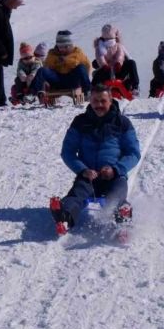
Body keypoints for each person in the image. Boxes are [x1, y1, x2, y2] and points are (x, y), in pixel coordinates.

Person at [52, 84, 141, 233]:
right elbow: (67, 152)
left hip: (114, 176)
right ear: (90, 101)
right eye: (95, 101)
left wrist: (115, 169)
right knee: (76, 194)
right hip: (88, 177)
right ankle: (64, 218)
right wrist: (83, 170)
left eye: (103, 101)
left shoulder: (122, 123)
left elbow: (133, 153)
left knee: (117, 195)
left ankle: (123, 224)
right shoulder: (80, 122)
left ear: (111, 101)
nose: (99, 105)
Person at [28, 30, 91, 100]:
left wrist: (66, 60)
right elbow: (47, 66)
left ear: (70, 45)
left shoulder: (77, 51)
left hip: (72, 80)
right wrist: (57, 60)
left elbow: (87, 65)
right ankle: (32, 94)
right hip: (57, 80)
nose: (62, 49)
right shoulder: (52, 53)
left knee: (81, 67)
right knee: (42, 70)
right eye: (59, 46)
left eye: (65, 47)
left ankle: (87, 92)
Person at [91, 24, 140, 95]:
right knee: (97, 75)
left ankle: (135, 87)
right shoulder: (100, 47)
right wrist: (104, 65)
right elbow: (100, 58)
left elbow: (120, 55)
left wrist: (118, 63)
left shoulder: (118, 45)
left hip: (118, 70)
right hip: (106, 71)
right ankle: (92, 91)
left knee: (131, 63)